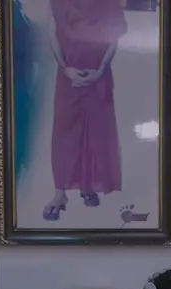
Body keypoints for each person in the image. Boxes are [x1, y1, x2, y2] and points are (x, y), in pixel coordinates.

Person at [42, 0, 127, 221]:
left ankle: (88, 186)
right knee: (64, 132)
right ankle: (60, 193)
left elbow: (113, 38)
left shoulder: (109, 3)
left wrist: (100, 70)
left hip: (98, 76)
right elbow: (53, 35)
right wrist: (66, 69)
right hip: (68, 76)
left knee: (97, 131)